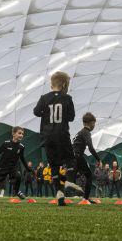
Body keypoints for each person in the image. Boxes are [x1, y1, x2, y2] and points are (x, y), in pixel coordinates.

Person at [33, 71, 75, 207]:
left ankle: (59, 195)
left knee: (54, 166)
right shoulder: (67, 98)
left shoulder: (44, 98)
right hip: (62, 134)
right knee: (70, 160)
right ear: (64, 84)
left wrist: (46, 113)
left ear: (52, 84)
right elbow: (71, 117)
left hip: (48, 136)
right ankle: (69, 182)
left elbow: (36, 112)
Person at [66, 113, 99, 201]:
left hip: (72, 156)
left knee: (71, 178)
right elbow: (91, 148)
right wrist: (98, 159)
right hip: (77, 156)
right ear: (91, 123)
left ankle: (62, 195)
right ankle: (85, 198)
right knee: (89, 176)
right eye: (94, 123)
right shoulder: (86, 132)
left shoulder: (79, 132)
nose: (94, 126)